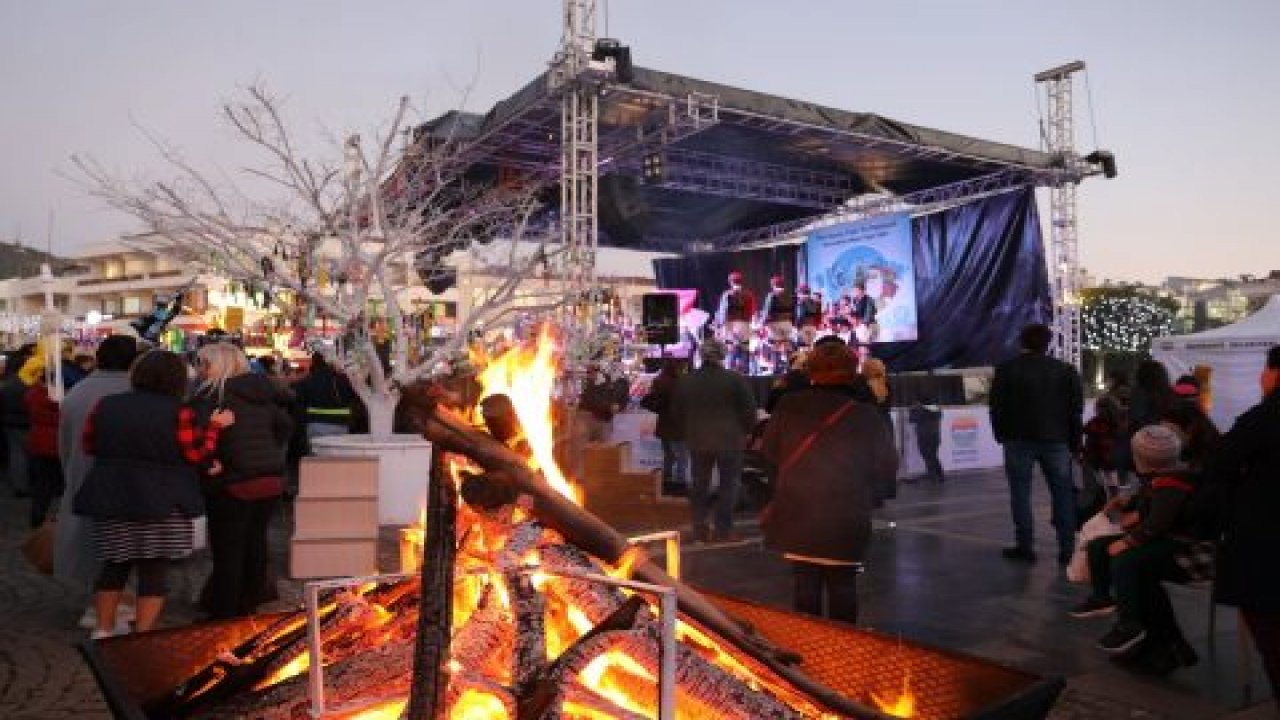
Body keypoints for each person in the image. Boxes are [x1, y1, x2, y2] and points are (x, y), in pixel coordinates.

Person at [72, 349, 233, 637]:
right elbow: (196, 454)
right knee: (153, 568)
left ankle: (103, 628)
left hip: (113, 494)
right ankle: (144, 633)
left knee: (113, 564)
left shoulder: (106, 405)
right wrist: (214, 429)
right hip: (162, 498)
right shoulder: (179, 411)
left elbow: (89, 445)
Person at [760, 342, 897, 623]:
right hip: (847, 513)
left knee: (804, 584)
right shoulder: (865, 415)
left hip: (798, 510)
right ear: (851, 372)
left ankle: (809, 654)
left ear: (811, 371)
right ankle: (842, 653)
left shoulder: (789, 405)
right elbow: (886, 466)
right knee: (843, 585)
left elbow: (770, 452)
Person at [1069, 425, 1205, 674]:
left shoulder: (1171, 482)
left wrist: (1129, 541)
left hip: (1187, 548)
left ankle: (1135, 629)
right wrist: (1130, 503)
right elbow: (1151, 505)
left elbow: (1158, 522)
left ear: (1140, 458)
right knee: (1102, 548)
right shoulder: (1161, 478)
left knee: (1128, 562)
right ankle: (1108, 603)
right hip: (1166, 541)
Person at [191, 343, 293, 619]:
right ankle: (250, 601)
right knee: (256, 543)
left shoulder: (211, 398)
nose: (200, 370)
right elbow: (285, 427)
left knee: (229, 550)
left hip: (231, 482)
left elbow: (197, 441)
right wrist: (268, 451)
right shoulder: (263, 395)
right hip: (268, 480)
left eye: (204, 363)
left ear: (218, 366)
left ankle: (225, 611)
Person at [1206, 345, 1280, 702]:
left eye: (1265, 370)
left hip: (1266, 549)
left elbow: (1219, 466)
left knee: (1272, 637)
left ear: (1275, 374)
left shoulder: (1263, 419)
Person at [55, 335, 139, 624]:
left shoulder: (76, 392)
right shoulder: (135, 391)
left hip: (81, 474)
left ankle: (98, 603)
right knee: (122, 546)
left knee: (91, 542)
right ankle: (117, 606)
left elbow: (63, 443)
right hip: (125, 481)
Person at [989, 323, 1084, 564]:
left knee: (1020, 493)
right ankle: (1067, 548)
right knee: (1062, 494)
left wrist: (1001, 435)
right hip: (1056, 440)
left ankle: (1025, 545)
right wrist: (1075, 442)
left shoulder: (1007, 369)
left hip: (1018, 439)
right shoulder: (1065, 370)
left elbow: (997, 407)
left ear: (1022, 342)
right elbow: (1075, 410)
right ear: (1048, 343)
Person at [671, 339, 757, 543]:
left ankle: (699, 530)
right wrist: (746, 432)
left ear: (701, 355)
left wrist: (688, 430)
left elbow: (676, 412)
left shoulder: (686, 381)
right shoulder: (735, 379)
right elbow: (749, 410)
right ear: (722, 356)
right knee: (728, 486)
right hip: (729, 440)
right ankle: (723, 531)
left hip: (697, 439)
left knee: (699, 486)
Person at [640, 359, 689, 495]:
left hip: (663, 425)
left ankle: (665, 482)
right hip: (679, 427)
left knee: (669, 456)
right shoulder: (681, 384)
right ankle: (680, 485)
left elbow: (652, 400)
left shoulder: (659, 381)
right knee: (682, 458)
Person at [23, 364, 63, 528]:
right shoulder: (54, 398)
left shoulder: (32, 394)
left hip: (37, 442)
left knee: (41, 484)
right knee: (54, 483)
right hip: (53, 444)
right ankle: (54, 519)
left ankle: (37, 516)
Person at [292, 353, 356, 440]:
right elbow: (353, 397)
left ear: (313, 363)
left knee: (319, 452)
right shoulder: (343, 380)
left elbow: (298, 401)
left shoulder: (307, 381)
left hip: (316, 424)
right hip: (341, 424)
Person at [1, 343, 36, 497]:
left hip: (9, 422)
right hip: (27, 422)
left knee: (16, 455)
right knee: (29, 454)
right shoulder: (29, 385)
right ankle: (30, 484)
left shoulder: (6, 384)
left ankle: (20, 486)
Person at [577, 362, 630, 443]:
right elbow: (592, 399)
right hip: (590, 417)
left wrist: (619, 407)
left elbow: (624, 400)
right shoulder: (600, 379)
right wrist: (609, 407)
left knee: (603, 448)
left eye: (619, 367)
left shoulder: (623, 382)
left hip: (606, 420)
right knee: (585, 447)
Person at [715, 271, 756, 374]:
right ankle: (745, 377)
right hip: (745, 326)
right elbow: (752, 311)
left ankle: (730, 377)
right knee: (744, 352)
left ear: (730, 282)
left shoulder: (727, 294)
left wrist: (719, 327)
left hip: (730, 325)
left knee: (731, 352)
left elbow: (723, 312)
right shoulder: (749, 295)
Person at [759, 275, 796, 372]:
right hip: (787, 323)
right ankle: (790, 369)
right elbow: (794, 311)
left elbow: (767, 311)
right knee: (787, 346)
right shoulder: (791, 295)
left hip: (775, 323)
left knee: (775, 346)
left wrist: (762, 324)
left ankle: (776, 369)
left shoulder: (772, 295)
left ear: (773, 285)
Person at [908, 396, 945, 484]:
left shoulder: (920, 411)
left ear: (921, 402)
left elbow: (912, 419)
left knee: (928, 457)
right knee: (933, 456)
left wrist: (913, 409)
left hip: (924, 437)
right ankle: (940, 475)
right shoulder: (936, 409)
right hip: (935, 436)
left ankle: (933, 478)